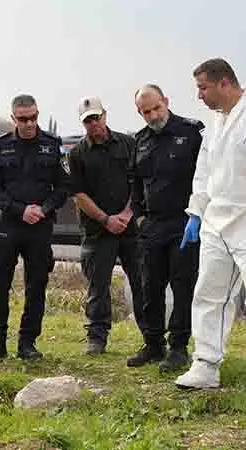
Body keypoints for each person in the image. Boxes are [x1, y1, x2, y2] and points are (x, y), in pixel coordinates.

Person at [175, 58, 246, 402]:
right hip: (217, 219)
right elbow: (204, 170)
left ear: (224, 83)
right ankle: (205, 365)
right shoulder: (217, 120)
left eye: (203, 87)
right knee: (209, 293)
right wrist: (196, 212)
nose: (199, 95)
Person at [0, 94, 70, 363]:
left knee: (36, 286)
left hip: (40, 225)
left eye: (33, 117)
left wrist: (44, 209)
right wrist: (19, 209)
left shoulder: (52, 145)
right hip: (9, 224)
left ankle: (27, 343)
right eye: (23, 119)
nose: (29, 123)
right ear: (14, 118)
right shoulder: (1, 146)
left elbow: (64, 185)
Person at [131, 85, 203, 371]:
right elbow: (136, 183)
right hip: (152, 224)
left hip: (183, 222)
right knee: (150, 286)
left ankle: (178, 347)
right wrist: (138, 216)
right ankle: (153, 344)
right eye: (145, 112)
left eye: (156, 108)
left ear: (166, 102)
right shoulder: (141, 140)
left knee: (182, 286)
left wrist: (199, 215)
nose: (152, 116)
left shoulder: (191, 133)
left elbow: (204, 177)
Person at [68, 96, 143, 356]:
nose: (93, 124)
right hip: (97, 231)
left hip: (130, 228)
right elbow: (79, 195)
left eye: (96, 118)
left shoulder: (128, 144)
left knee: (142, 283)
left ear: (105, 116)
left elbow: (138, 182)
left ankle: (152, 337)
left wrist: (127, 214)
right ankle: (97, 337)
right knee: (97, 287)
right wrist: (105, 219)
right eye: (88, 121)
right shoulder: (77, 154)